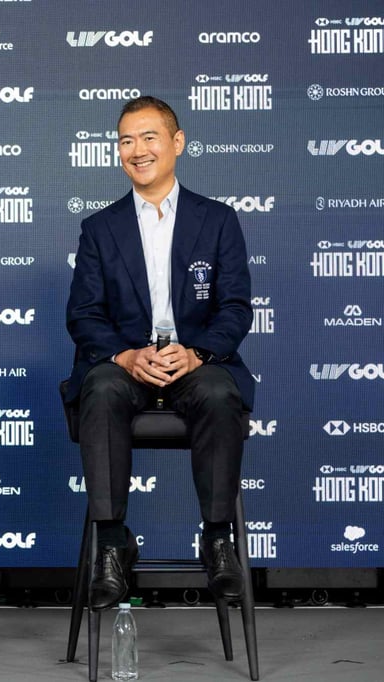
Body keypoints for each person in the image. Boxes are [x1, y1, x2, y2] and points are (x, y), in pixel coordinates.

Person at [65, 96, 253, 609]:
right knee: (99, 388)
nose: (137, 149)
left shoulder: (217, 220)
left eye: (149, 137)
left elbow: (235, 308)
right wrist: (126, 357)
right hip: (128, 363)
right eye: (126, 140)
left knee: (219, 394)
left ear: (177, 142)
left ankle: (217, 541)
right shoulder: (100, 228)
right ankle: (110, 545)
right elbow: (83, 314)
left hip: (197, 361)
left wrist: (197, 354)